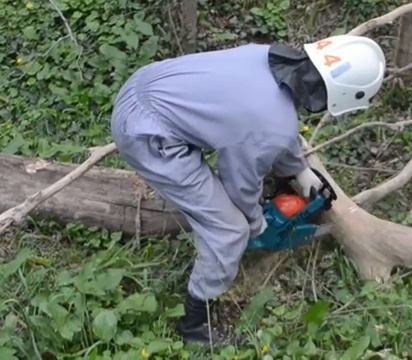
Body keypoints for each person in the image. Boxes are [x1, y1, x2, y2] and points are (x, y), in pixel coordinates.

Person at [109, 35, 386, 344]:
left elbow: (272, 123)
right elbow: (240, 184)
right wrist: (255, 224)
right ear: (341, 93)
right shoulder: (269, 126)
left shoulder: (266, 56)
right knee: (230, 230)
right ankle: (196, 326)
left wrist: (299, 169)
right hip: (147, 135)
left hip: (148, 85)